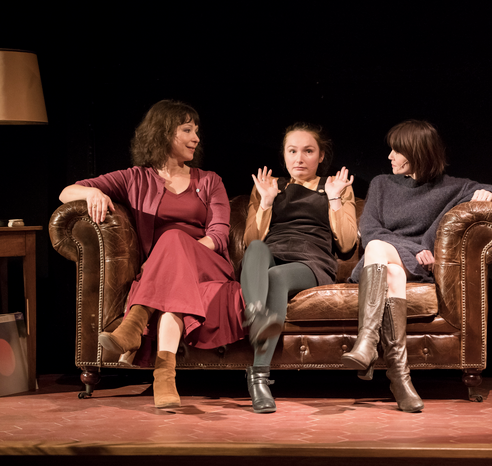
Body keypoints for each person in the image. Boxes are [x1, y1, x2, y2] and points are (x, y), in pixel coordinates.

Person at [59, 100, 245, 409]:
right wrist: (92, 192)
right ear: (164, 133)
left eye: (196, 131)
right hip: (166, 275)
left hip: (208, 264)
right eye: (187, 130)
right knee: (173, 290)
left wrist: (180, 252)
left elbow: (218, 236)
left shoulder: (210, 180)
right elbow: (67, 192)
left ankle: (133, 325)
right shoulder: (136, 178)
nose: (196, 138)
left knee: (173, 239)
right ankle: (164, 377)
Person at [342, 120, 492, 412]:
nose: (390, 156)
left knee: (384, 256)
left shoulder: (452, 187)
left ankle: (367, 344)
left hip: (417, 268)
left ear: (418, 152)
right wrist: (417, 250)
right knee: (384, 260)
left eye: (397, 150)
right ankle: (399, 378)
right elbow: (371, 231)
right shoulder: (381, 184)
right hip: (385, 262)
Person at [242, 122, 357, 413]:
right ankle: (256, 314)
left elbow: (346, 245)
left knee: (277, 276)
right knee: (256, 250)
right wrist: (266, 202)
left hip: (311, 260)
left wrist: (334, 197)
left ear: (321, 156)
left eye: (308, 151)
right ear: (284, 155)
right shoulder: (270, 186)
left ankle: (259, 377)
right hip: (273, 250)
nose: (299, 158)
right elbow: (250, 241)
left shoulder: (335, 186)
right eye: (292, 151)